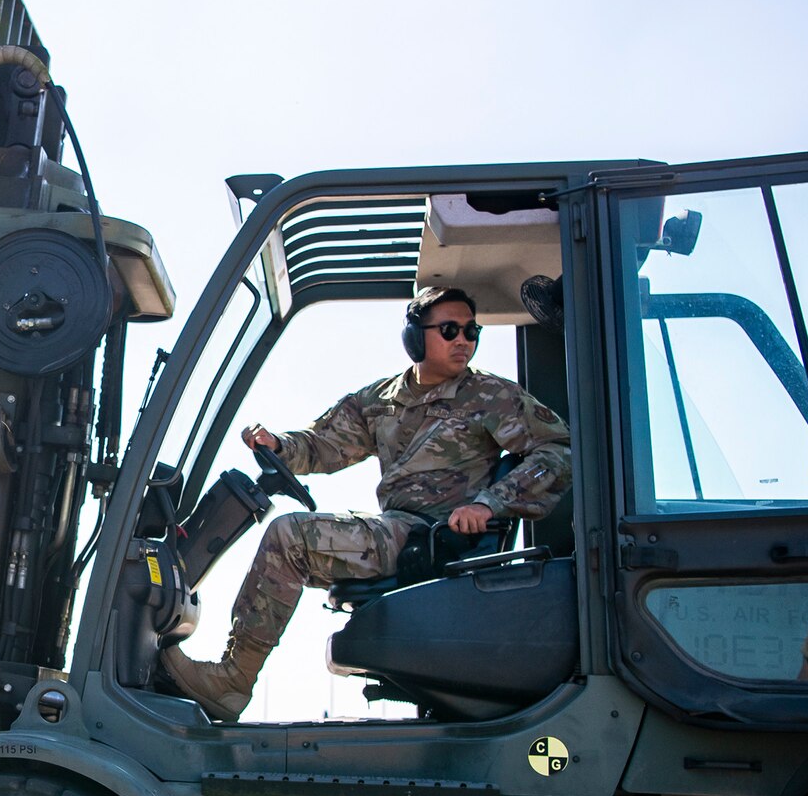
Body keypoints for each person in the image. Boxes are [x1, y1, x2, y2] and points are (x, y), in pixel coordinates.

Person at [160, 286, 572, 720]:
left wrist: (490, 504)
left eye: (472, 331)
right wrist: (278, 445)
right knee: (293, 535)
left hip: (435, 539)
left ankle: (231, 681)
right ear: (415, 338)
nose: (463, 340)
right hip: (396, 529)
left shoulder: (491, 395)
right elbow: (323, 445)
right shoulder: (381, 400)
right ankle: (229, 677)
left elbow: (559, 451)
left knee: (289, 535)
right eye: (450, 330)